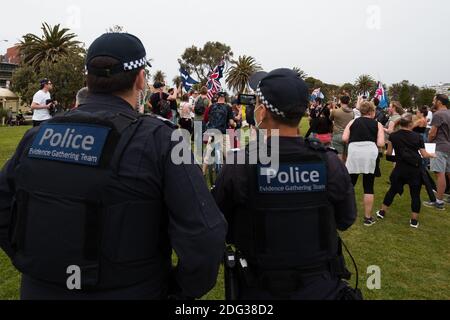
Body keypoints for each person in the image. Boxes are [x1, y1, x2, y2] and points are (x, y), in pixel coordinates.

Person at [0, 32, 227, 300]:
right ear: (140, 78)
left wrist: (34, 265)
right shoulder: (161, 140)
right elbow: (204, 237)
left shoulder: (37, 136)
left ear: (88, 77)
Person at [213, 69, 358, 300]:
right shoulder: (329, 162)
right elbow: (346, 218)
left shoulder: (240, 163)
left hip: (260, 288)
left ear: (263, 111)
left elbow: (218, 222)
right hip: (320, 287)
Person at [376, 114, 435, 228]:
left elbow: (388, 153)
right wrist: (432, 155)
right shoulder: (417, 137)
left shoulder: (393, 136)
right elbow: (424, 154)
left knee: (392, 190)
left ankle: (382, 212)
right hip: (415, 170)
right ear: (411, 124)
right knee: (415, 194)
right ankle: (414, 221)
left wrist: (389, 155)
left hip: (400, 168)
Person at [343, 101, 385, 226]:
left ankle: (344, 211)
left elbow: (344, 138)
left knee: (350, 183)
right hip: (370, 154)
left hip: (354, 152)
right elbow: (381, 143)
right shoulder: (377, 124)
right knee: (368, 186)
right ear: (372, 112)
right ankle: (367, 218)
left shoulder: (352, 122)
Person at [425, 94, 450, 210]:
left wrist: (428, 142)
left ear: (439, 102)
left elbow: (432, 133)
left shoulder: (438, 114)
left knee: (439, 173)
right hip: (448, 145)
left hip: (439, 146)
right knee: (447, 172)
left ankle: (439, 202)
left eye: (434, 100)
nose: (433, 101)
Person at [202, 92, 236, 176]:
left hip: (212, 132)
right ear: (225, 98)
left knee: (208, 152)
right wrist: (235, 124)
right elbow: (231, 122)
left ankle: (203, 172)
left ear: (217, 98)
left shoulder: (211, 106)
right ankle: (231, 173)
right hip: (223, 133)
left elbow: (206, 119)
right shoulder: (228, 107)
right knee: (228, 154)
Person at [330, 95, 354, 161]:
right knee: (346, 157)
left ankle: (340, 170)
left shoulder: (335, 111)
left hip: (337, 135)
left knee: (338, 158)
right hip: (348, 135)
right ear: (348, 102)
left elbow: (330, 119)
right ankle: (345, 170)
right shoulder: (352, 112)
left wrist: (334, 107)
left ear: (340, 101)